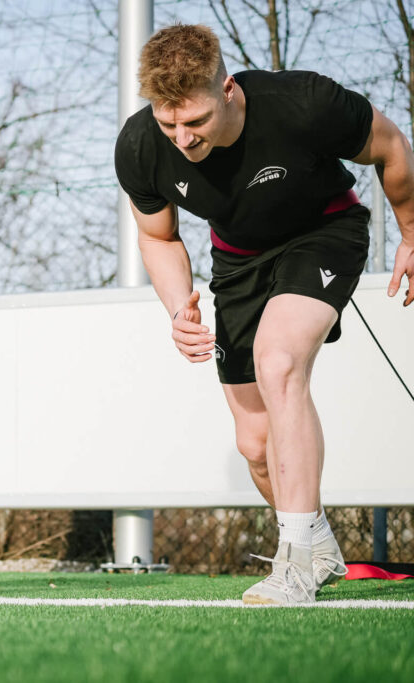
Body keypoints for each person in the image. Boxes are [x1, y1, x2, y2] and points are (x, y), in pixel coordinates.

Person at [114, 24, 414, 604]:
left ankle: (296, 561)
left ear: (227, 89)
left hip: (323, 232)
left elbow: (392, 147)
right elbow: (158, 237)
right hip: (239, 263)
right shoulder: (140, 145)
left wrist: (411, 232)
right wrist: (179, 307)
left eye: (195, 121)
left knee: (278, 361)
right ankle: (319, 543)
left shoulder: (304, 103)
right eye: (168, 122)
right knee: (255, 445)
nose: (181, 137)